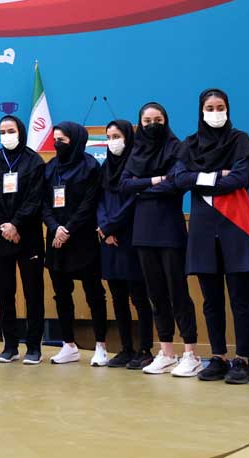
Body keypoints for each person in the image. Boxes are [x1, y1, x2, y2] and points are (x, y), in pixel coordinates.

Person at [174, 89, 249, 384]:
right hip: (203, 230)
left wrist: (201, 178)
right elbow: (180, 178)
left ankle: (243, 360)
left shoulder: (240, 140)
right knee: (211, 301)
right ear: (201, 111)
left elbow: (240, 178)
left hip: (235, 226)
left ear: (228, 109)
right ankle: (219, 357)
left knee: (240, 300)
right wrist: (218, 175)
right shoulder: (190, 143)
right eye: (209, 108)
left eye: (220, 107)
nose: (215, 112)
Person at [120, 102, 199, 376]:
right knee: (155, 294)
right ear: (140, 124)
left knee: (178, 293)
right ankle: (166, 352)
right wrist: (155, 181)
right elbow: (124, 184)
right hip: (143, 231)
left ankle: (190, 353)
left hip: (170, 230)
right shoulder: (135, 151)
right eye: (147, 121)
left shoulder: (177, 148)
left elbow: (176, 183)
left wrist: (142, 188)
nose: (152, 125)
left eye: (158, 120)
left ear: (166, 121)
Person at [0, 115, 46, 365]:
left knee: (33, 293)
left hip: (28, 236)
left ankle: (34, 347)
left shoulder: (34, 161)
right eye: (2, 131)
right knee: (5, 294)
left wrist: (17, 224)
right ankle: (10, 346)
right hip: (0, 237)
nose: (7, 135)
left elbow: (35, 198)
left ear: (20, 131)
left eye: (11, 130)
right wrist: (5, 227)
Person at [42, 121, 107, 365]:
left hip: (82, 238)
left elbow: (89, 203)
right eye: (55, 140)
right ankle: (68, 344)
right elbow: (43, 203)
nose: (57, 144)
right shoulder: (50, 167)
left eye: (62, 140)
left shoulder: (90, 167)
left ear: (76, 140)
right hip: (56, 239)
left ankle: (101, 345)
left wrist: (68, 228)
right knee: (61, 294)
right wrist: (55, 228)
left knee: (94, 293)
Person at [97, 119, 154, 368]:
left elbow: (133, 201)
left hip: (130, 237)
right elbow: (99, 200)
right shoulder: (105, 168)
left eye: (117, 136)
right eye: (109, 137)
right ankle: (126, 348)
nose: (113, 142)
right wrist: (103, 228)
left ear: (128, 138)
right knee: (117, 297)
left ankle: (145, 348)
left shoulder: (136, 165)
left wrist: (111, 226)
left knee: (139, 297)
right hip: (108, 240)